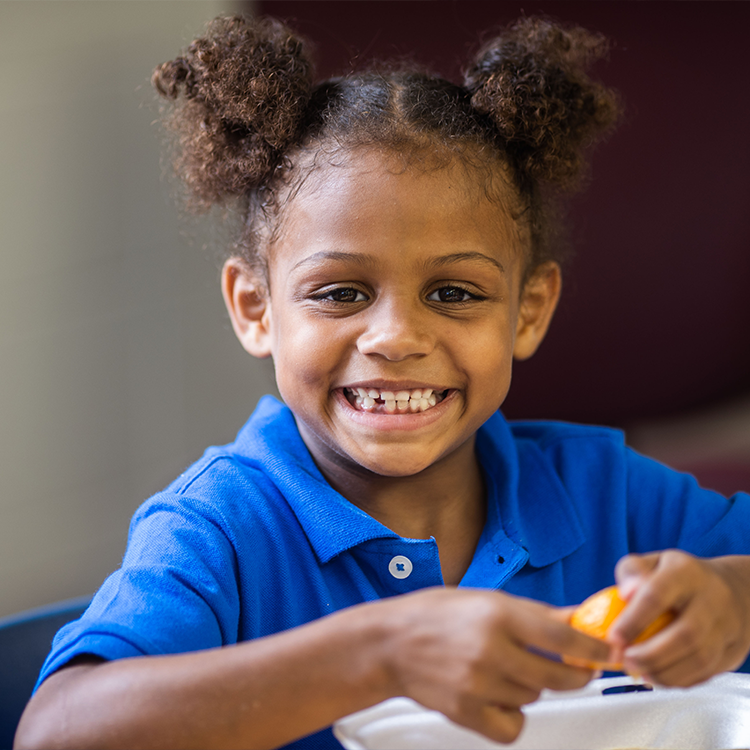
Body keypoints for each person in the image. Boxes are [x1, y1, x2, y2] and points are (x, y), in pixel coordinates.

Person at [15, 14, 750, 750]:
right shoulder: (221, 530)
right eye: (339, 292)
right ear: (255, 309)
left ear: (528, 311)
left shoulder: (606, 497)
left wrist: (733, 599)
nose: (396, 337)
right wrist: (380, 652)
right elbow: (55, 735)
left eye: (455, 293)